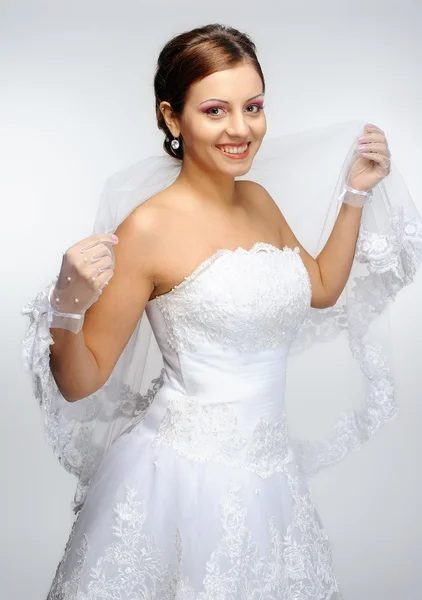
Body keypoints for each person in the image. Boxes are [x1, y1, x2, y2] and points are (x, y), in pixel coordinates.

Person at [21, 24, 422, 599]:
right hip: (181, 477)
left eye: (253, 107)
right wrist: (66, 308)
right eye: (216, 110)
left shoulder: (258, 200)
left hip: (269, 473)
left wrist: (356, 192)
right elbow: (82, 382)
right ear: (171, 117)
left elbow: (322, 287)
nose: (242, 129)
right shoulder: (148, 228)